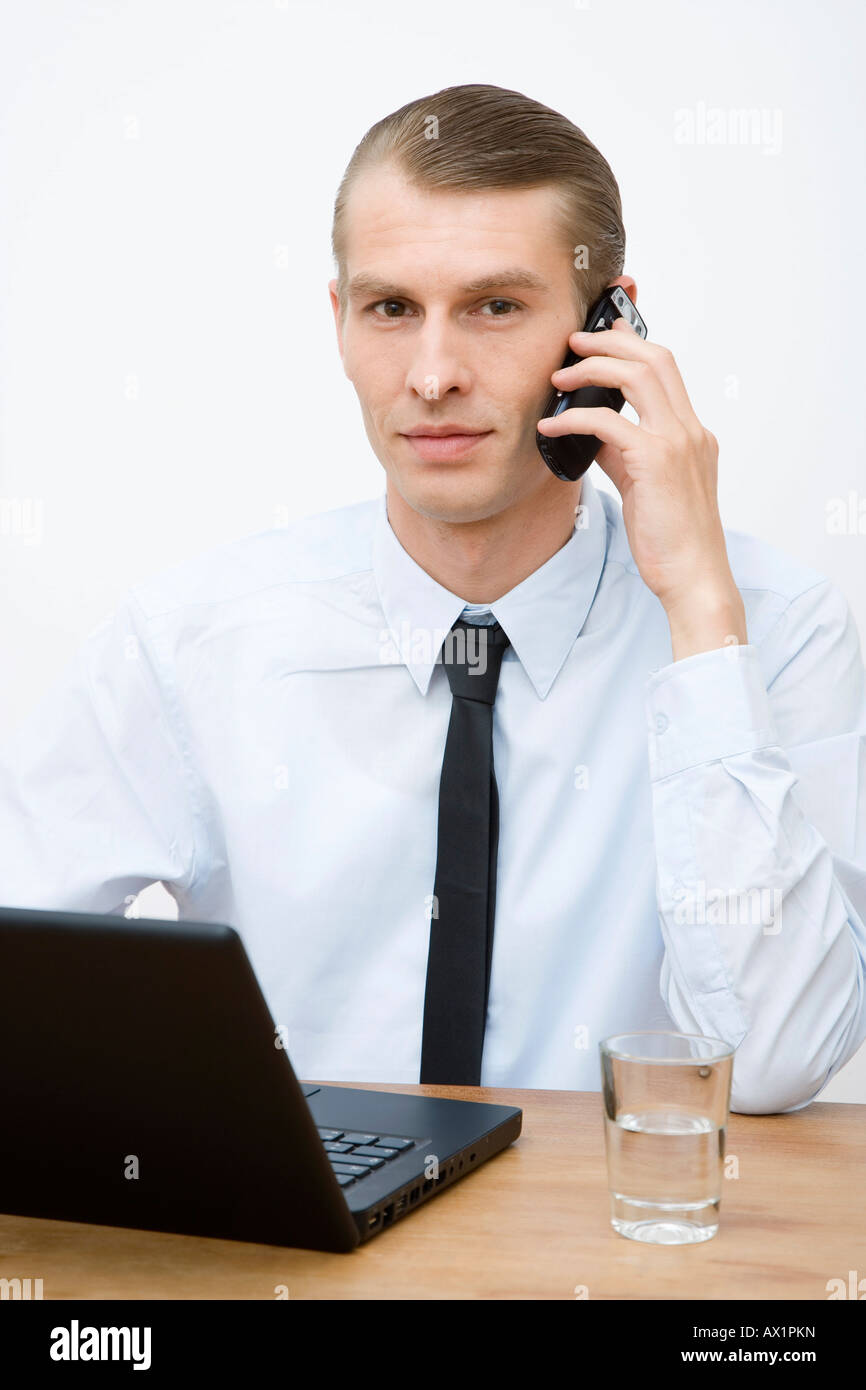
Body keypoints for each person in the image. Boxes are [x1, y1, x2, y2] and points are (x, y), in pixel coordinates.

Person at [2, 84, 864, 1113]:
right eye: (391, 309)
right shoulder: (191, 642)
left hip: (615, 1257)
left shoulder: (768, 630)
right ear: (339, 321)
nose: (432, 374)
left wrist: (699, 616)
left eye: (494, 306)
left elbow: (768, 1065)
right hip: (298, 1255)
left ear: (605, 331)